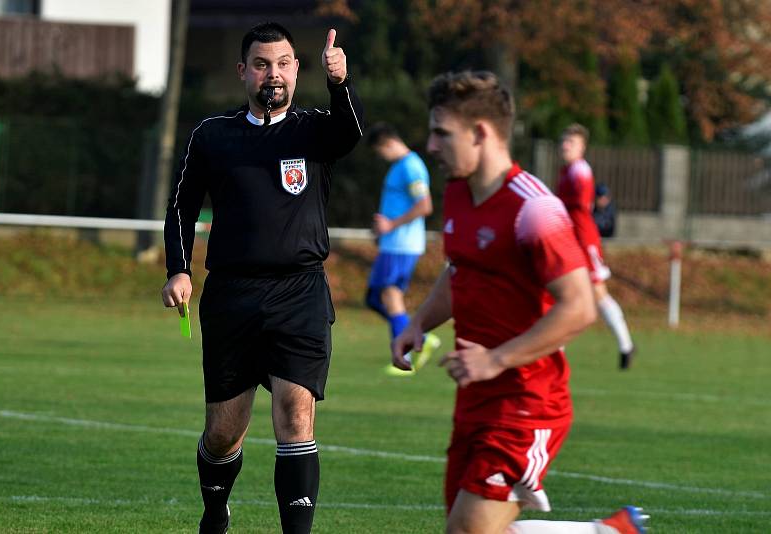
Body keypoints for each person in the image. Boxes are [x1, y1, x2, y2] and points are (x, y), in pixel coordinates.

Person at [391, 71, 647, 534]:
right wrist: (419, 322)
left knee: (467, 530)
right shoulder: (458, 192)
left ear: (481, 133)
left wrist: (496, 358)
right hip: (475, 399)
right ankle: (606, 533)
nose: (430, 145)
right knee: (478, 529)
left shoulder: (535, 209)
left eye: (441, 133)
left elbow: (580, 307)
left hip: (528, 402)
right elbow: (460, 270)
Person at [161, 22, 362, 534]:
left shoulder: (315, 129)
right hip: (232, 295)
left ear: (297, 69)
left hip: (300, 293)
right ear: (243, 72)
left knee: (295, 416)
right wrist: (179, 269)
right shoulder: (213, 135)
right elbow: (183, 206)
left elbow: (350, 132)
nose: (272, 74)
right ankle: (215, 511)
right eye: (261, 64)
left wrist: (341, 82)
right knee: (224, 434)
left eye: (282, 64)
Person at [364, 122, 441, 376]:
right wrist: (382, 231)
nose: (380, 157)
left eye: (378, 152)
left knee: (389, 294)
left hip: (402, 245)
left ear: (387, 144)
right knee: (374, 298)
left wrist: (391, 225)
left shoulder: (411, 166)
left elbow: (425, 205)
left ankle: (407, 353)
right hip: (392, 244)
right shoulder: (400, 167)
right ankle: (420, 336)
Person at [557, 124, 635, 369]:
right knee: (563, 292)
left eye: (571, 142)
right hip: (570, 239)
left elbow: (581, 203)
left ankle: (626, 345)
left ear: (582, 147)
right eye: (564, 141)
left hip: (584, 239)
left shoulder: (580, 170)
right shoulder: (567, 170)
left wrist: (554, 204)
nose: (565, 146)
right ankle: (554, 349)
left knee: (598, 293)